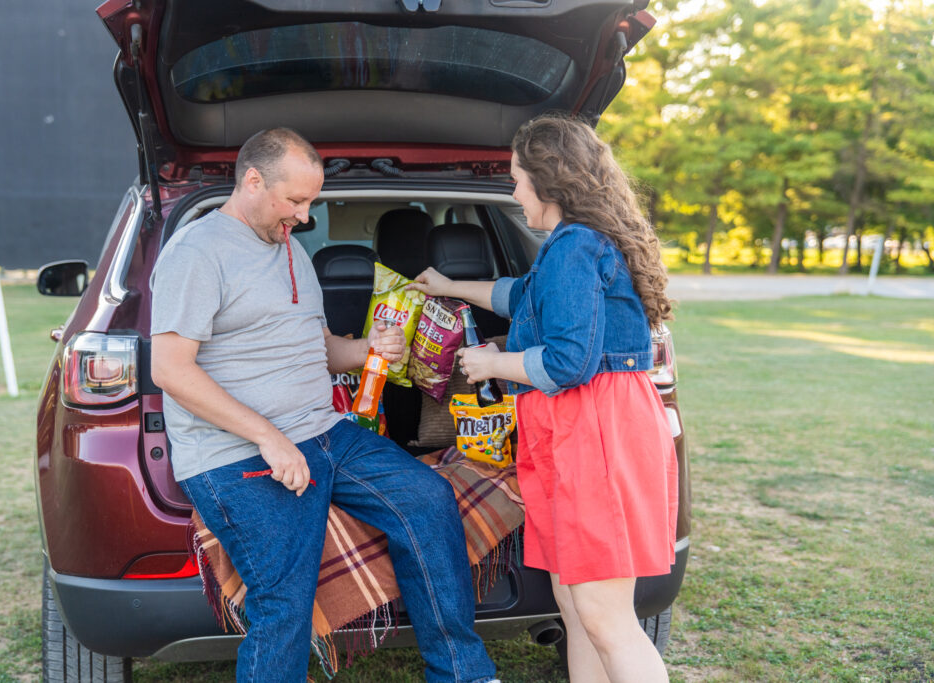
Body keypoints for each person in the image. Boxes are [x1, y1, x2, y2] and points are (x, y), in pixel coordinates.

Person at [150, 128, 498, 683]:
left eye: (311, 201)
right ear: (253, 180)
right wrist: (268, 436)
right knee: (285, 599)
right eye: (296, 201)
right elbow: (169, 369)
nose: (306, 216)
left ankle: (464, 673)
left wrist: (367, 351)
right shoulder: (196, 253)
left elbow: (321, 346)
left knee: (428, 499)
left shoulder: (291, 250)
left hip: (325, 432)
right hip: (233, 454)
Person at [409, 114, 678, 683]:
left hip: (595, 433)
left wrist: (490, 363)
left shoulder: (577, 245)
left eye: (515, 178)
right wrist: (448, 285)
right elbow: (520, 298)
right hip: (574, 431)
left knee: (606, 619)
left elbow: (567, 360)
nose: (512, 190)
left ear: (546, 181)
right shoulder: (566, 247)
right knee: (577, 611)